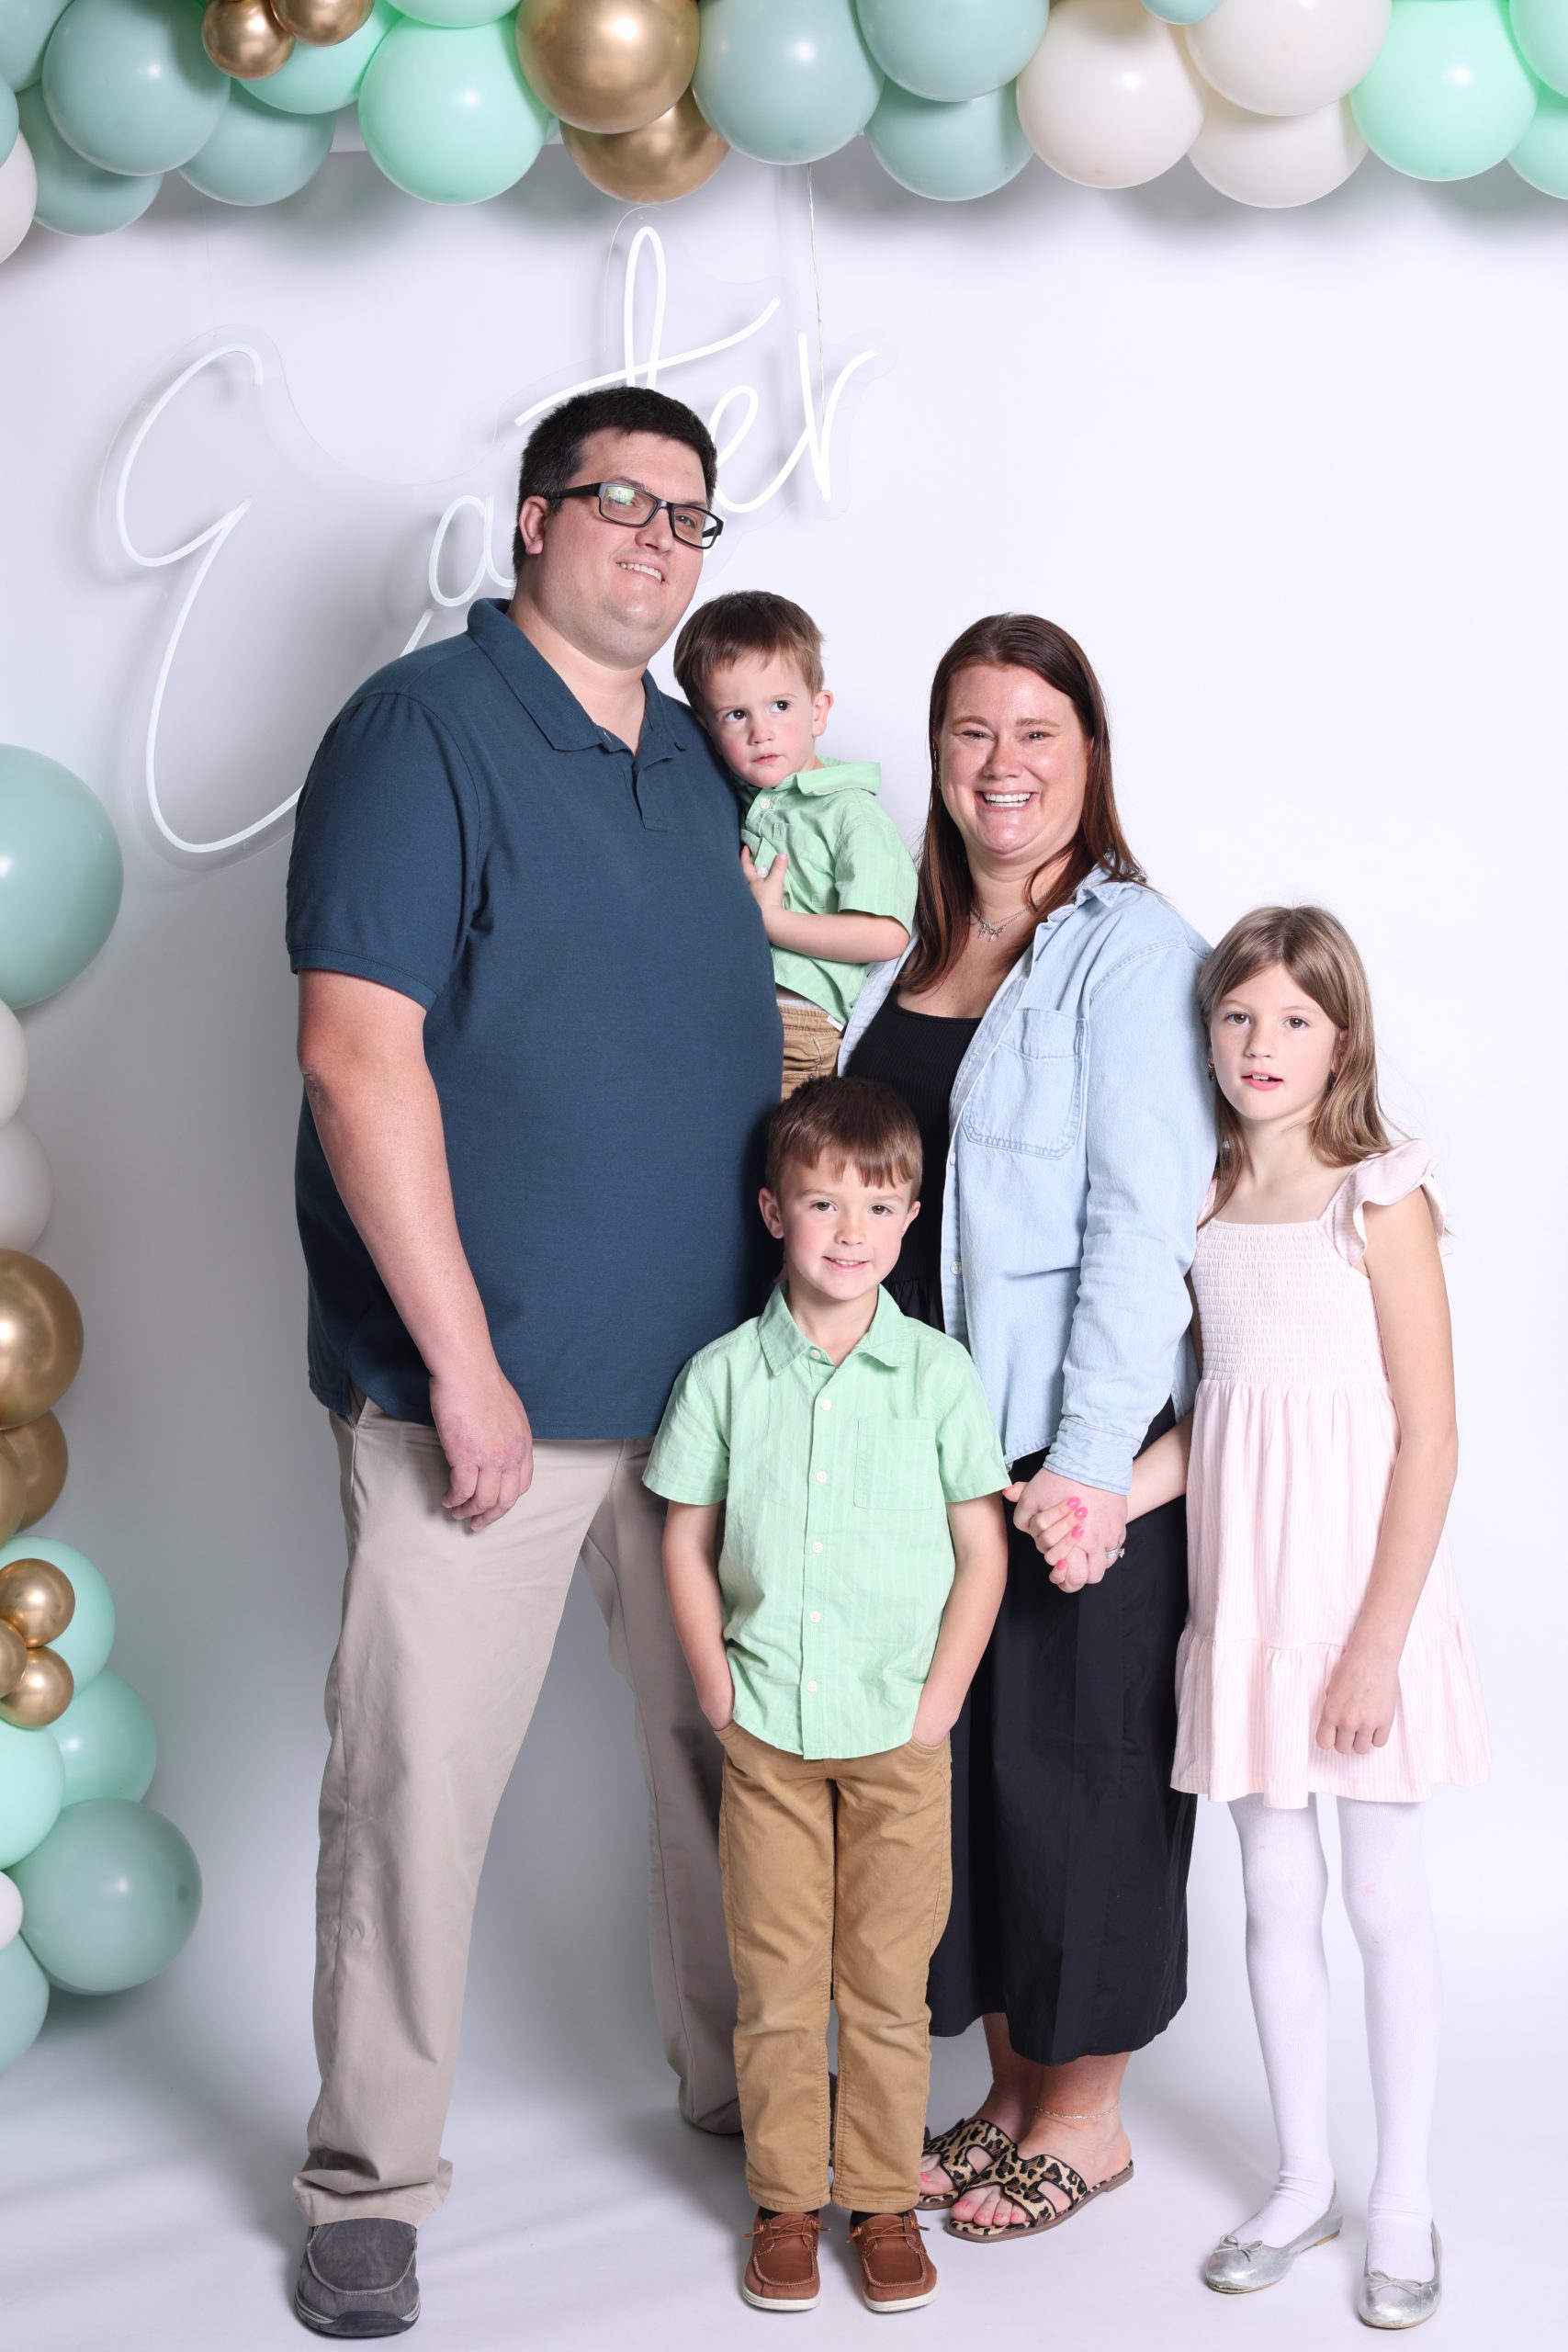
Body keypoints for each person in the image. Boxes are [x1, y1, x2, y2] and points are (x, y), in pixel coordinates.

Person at [283, 387, 780, 2337]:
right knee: (413, 1791)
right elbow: (356, 1059)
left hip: (702, 1400)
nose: (656, 542)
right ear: (531, 520)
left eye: (689, 519)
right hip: (475, 1405)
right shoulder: (419, 730)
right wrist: (460, 1367)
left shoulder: (694, 766)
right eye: (620, 503)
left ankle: (750, 2097)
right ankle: (367, 2180)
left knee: (731, 1771)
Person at [1036, 906, 1488, 2325]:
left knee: (1377, 1901)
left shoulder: (1378, 1196)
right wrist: (1106, 1500)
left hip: (1359, 1613)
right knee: (1274, 1900)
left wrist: (1373, 1649)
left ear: (1339, 1040)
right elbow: (1220, 1414)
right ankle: (1301, 2183)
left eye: (1292, 1018)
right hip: (1245, 1607)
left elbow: (1428, 1438)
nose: (1258, 1043)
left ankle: (1399, 2201)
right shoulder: (1203, 1200)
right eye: (1235, 1015)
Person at [840, 613, 1213, 2242]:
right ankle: (1004, 2095)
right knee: (973, 1784)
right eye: (970, 732)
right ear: (936, 756)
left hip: (1058, 1455)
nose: (1001, 764)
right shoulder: (913, 952)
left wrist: (1087, 1462)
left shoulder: (1128, 950)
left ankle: (1085, 2118)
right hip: (922, 1456)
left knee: (1079, 1776)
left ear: (1088, 755)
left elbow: (1141, 1221)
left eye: (1034, 732)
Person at [646, 1077, 1010, 2312]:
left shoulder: (938, 1376)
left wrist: (938, 1701)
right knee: (779, 1983)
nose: (850, 1231)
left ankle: (883, 2201)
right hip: (769, 1736)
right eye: (821, 1203)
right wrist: (715, 1684)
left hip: (899, 1735)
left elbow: (982, 1551)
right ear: (773, 1212)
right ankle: (787, 2202)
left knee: (888, 1985)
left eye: (877, 1205)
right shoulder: (723, 1377)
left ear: (910, 1220)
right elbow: (684, 1537)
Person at [672, 591, 916, 1099]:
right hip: (732, 1012)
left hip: (800, 1025)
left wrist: (772, 922)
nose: (761, 732)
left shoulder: (852, 814)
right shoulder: (737, 796)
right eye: (735, 715)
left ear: (818, 712)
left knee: (779, 1144)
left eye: (780, 706)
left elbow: (886, 935)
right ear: (706, 730)